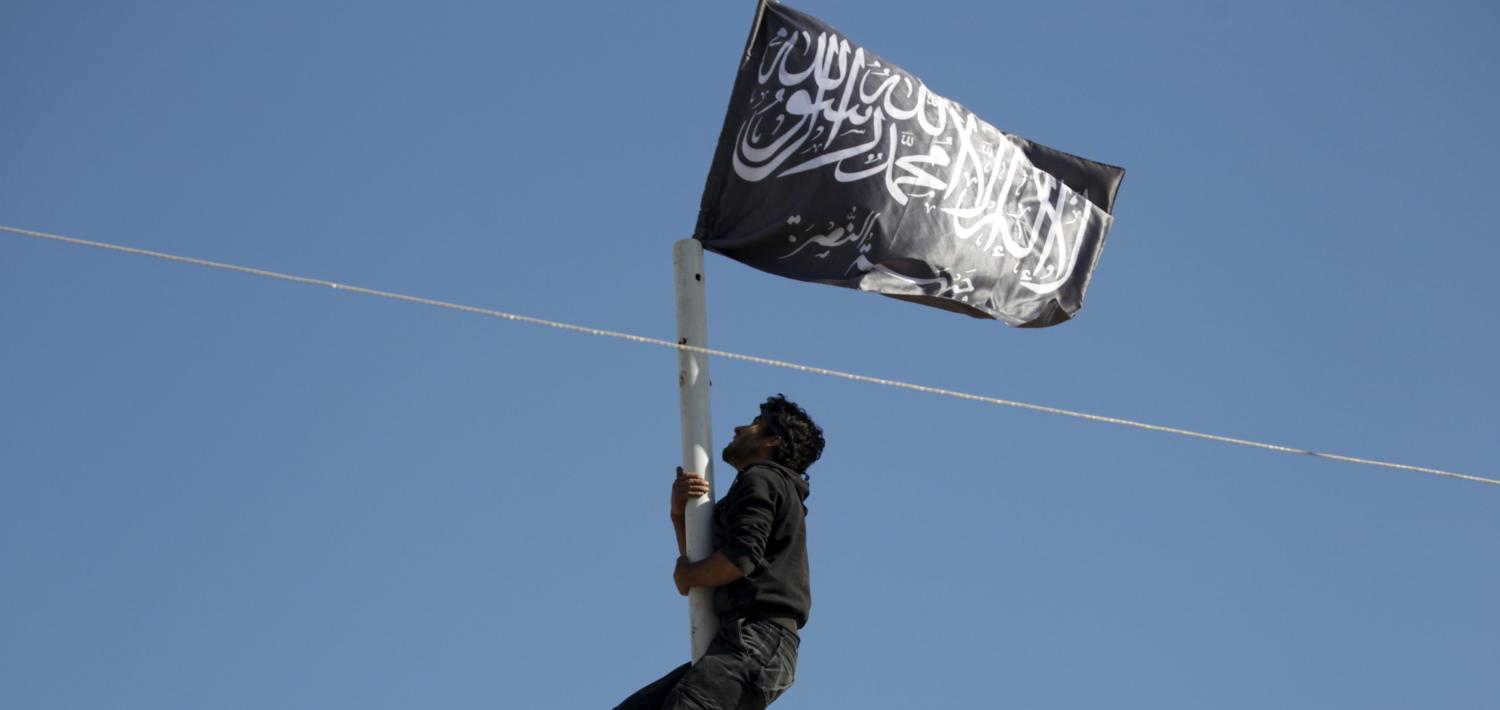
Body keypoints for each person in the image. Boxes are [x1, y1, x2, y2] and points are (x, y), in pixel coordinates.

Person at [615, 394, 825, 710]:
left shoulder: (762, 478)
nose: (739, 429)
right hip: (749, 642)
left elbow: (738, 559)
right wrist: (678, 514)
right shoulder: (760, 486)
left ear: (773, 440)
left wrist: (688, 575)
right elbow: (712, 558)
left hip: (759, 639)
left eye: (755, 425)